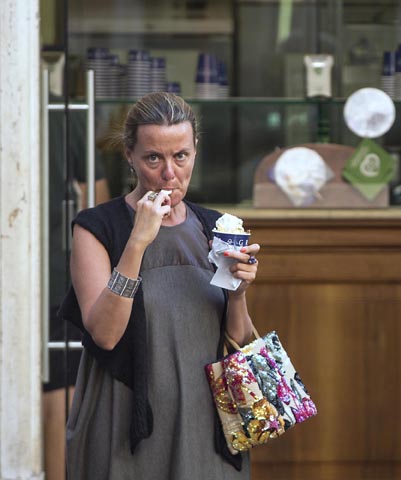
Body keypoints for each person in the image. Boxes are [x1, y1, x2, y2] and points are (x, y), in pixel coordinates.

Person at [59, 92, 258, 479]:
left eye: (181, 156)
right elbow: (104, 334)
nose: (170, 173)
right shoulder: (97, 227)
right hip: (125, 423)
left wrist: (239, 294)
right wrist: (137, 243)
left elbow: (238, 341)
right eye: (154, 158)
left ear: (195, 151)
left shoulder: (215, 226)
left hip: (208, 423)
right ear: (129, 156)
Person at [43, 97, 110, 480]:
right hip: (57, 271)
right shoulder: (65, 112)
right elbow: (96, 202)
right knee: (56, 388)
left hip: (34, 274)